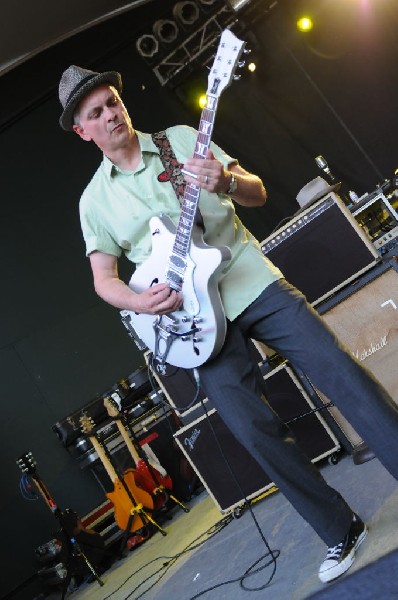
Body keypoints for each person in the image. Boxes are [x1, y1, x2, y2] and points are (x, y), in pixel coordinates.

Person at [58, 65, 398, 584]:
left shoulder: (177, 141)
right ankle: (339, 531)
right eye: (96, 113)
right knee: (255, 434)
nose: (111, 115)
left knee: (342, 375)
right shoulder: (94, 202)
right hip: (194, 327)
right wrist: (137, 301)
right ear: (82, 131)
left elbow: (257, 193)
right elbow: (103, 278)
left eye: (112, 103)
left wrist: (228, 181)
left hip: (250, 281)